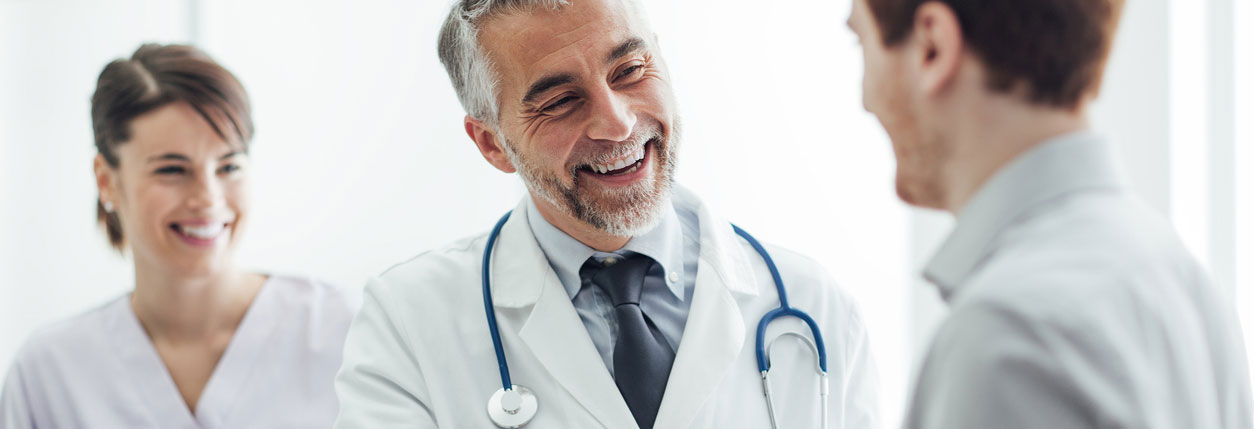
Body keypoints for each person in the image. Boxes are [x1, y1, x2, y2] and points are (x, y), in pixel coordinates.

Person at [333, 0, 879, 427]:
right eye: (560, 101)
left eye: (630, 70)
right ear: (492, 144)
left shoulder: (813, 305)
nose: (617, 124)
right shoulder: (406, 323)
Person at [845, 0, 1253, 427]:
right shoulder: (1185, 282)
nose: (864, 99)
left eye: (860, 43)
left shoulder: (1005, 335)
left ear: (933, 45)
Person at [0, 44, 359, 428]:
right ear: (107, 180)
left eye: (229, 166)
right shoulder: (50, 373)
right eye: (172, 169)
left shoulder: (345, 334)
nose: (207, 197)